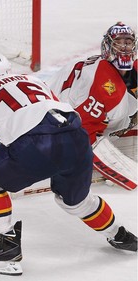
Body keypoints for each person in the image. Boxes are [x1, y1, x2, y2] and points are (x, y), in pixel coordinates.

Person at [0, 55, 137, 276]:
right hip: (76, 137)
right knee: (74, 203)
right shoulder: (33, 80)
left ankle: (7, 246)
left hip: (37, 143)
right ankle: (120, 235)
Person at [47, 22, 137, 189]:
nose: (124, 48)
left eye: (128, 42)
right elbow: (81, 134)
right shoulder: (104, 84)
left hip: (67, 105)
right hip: (52, 125)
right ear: (108, 47)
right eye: (119, 42)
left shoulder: (126, 70)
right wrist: (129, 176)